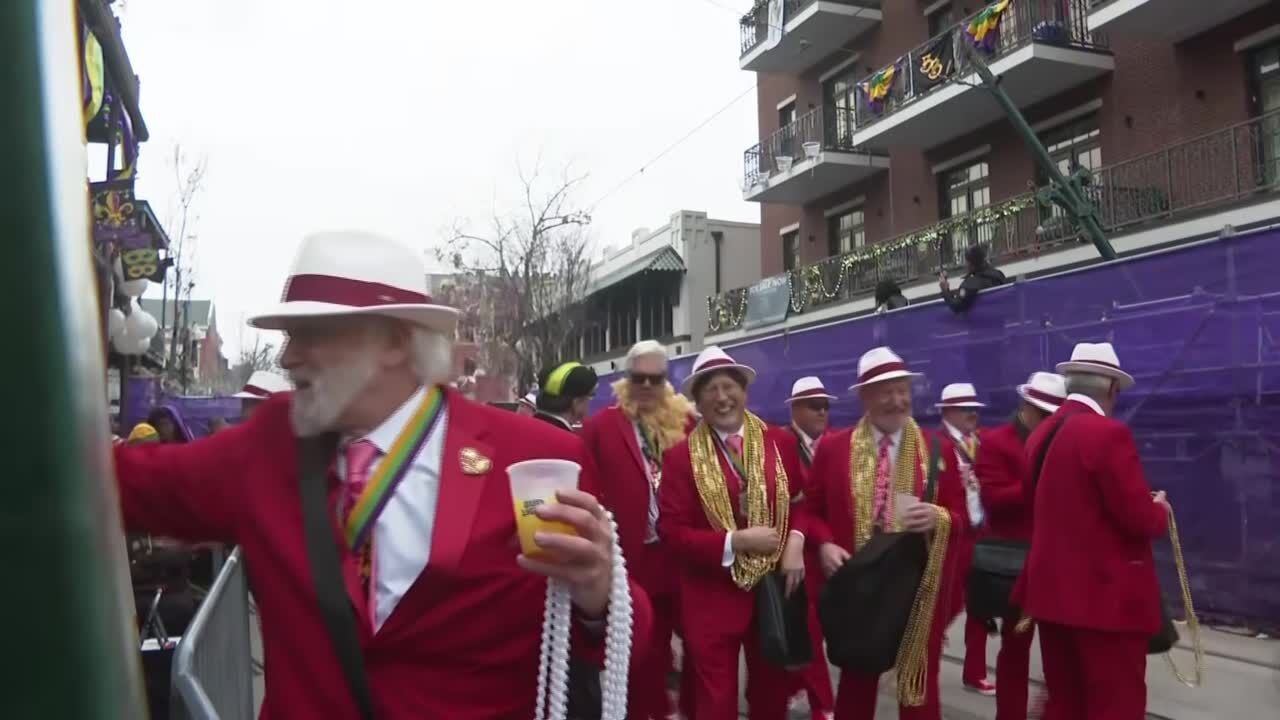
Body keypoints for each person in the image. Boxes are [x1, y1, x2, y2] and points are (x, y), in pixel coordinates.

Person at [113, 230, 651, 719]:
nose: (289, 356)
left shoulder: (534, 456)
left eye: (311, 333)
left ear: (396, 342)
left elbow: (627, 638)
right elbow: (116, 484)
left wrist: (600, 594)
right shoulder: (268, 445)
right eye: (289, 335)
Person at [805, 346, 967, 720]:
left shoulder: (934, 447)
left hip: (914, 586)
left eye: (902, 390)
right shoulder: (834, 448)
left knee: (918, 683)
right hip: (860, 584)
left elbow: (961, 517)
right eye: (885, 392)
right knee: (858, 679)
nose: (897, 401)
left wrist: (938, 517)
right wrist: (825, 542)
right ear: (865, 396)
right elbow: (809, 512)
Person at [1016, 343, 1170, 720]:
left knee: (1065, 703)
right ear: (1112, 389)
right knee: (1116, 705)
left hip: (1052, 595)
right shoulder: (1108, 434)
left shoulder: (1041, 434)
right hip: (1105, 604)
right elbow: (1138, 518)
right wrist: (1159, 509)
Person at [658, 346, 810, 720]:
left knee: (771, 694)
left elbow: (802, 504)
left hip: (771, 590)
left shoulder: (781, 443)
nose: (723, 398)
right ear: (697, 400)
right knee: (716, 703)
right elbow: (672, 533)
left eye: (730, 387)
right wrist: (736, 541)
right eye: (711, 390)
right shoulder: (680, 458)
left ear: (745, 391)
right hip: (710, 597)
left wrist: (796, 541)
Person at [581, 340, 696, 720]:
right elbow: (589, 489)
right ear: (626, 379)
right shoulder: (601, 427)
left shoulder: (686, 424)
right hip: (631, 554)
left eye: (655, 379)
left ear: (666, 382)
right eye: (638, 378)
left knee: (694, 643)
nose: (646, 386)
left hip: (679, 553)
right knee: (636, 646)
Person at [975, 371, 1066, 720]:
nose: (1045, 421)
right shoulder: (996, 442)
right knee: (1015, 649)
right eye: (1040, 413)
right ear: (1025, 406)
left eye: (1050, 416)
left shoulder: (1064, 438)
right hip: (1016, 565)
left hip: (1057, 561)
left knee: (1061, 654)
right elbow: (994, 499)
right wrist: (1041, 482)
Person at [781, 376, 838, 720]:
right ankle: (824, 705)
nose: (821, 411)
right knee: (807, 630)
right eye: (814, 405)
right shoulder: (781, 445)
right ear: (795, 409)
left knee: (808, 632)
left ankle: (793, 688)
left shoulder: (832, 444)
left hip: (828, 554)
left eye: (825, 405)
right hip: (794, 554)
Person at [934, 382, 995, 696]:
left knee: (980, 605)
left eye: (975, 409)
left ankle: (975, 672)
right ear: (947, 412)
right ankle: (925, 644)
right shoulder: (934, 443)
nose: (973, 414)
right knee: (947, 600)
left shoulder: (982, 443)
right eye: (965, 409)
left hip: (979, 533)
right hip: (949, 536)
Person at [939, 244, 1006, 314]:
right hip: (1000, 320)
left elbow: (956, 306)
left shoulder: (970, 285)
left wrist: (945, 290)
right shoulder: (998, 275)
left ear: (970, 263)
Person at [534, 362, 598, 432]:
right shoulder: (571, 441)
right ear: (576, 402)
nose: (589, 402)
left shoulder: (523, 429)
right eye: (591, 395)